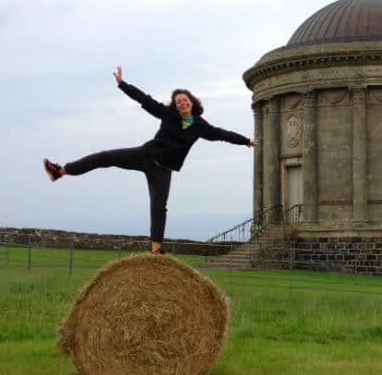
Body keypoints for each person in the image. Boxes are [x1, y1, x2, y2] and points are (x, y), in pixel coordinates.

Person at [43, 66, 258, 256]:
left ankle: (155, 250)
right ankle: (60, 171)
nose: (182, 103)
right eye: (178, 101)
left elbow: (222, 134)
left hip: (163, 170)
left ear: (192, 103)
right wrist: (122, 84)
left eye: (185, 100)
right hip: (145, 155)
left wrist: (245, 141)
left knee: (159, 207)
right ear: (175, 106)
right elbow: (145, 100)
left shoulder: (201, 126)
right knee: (105, 157)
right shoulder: (167, 115)